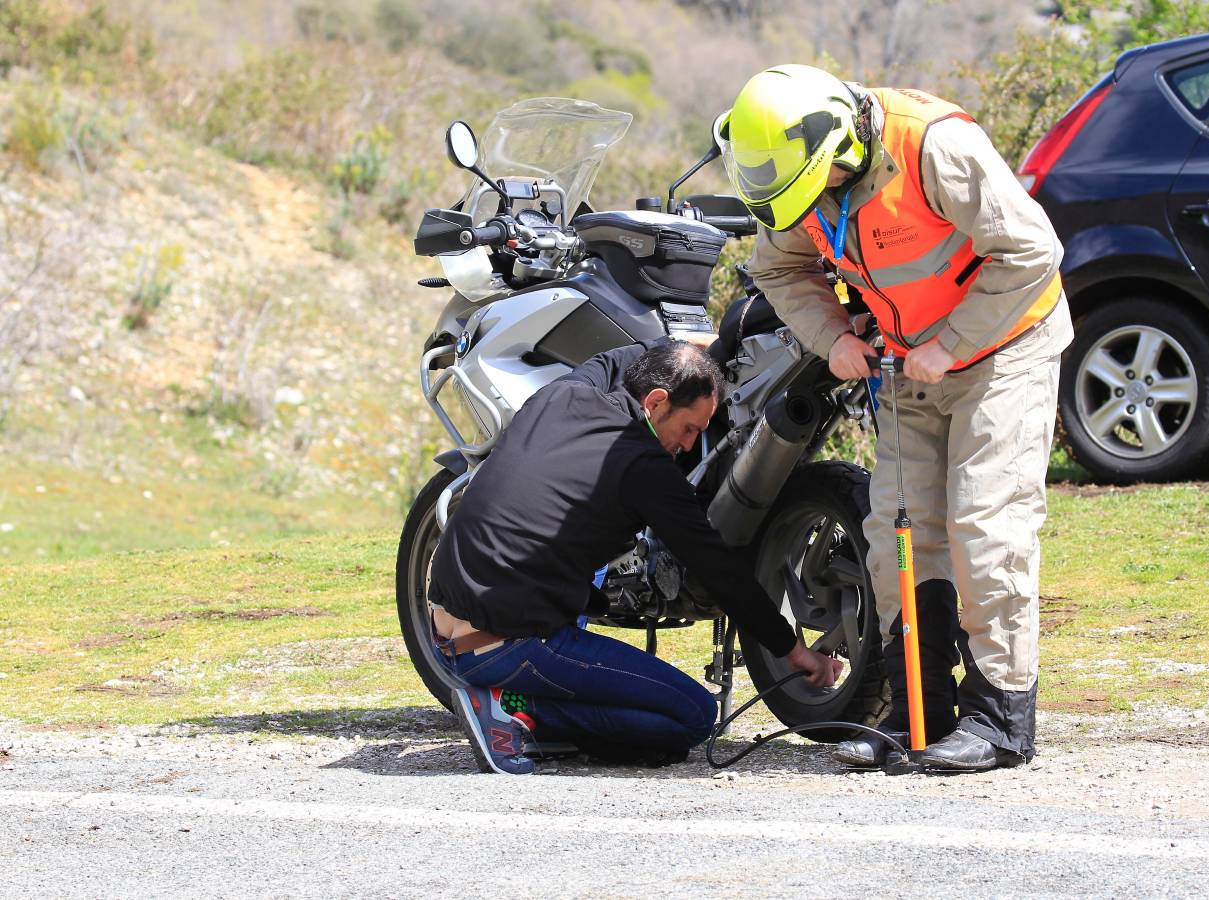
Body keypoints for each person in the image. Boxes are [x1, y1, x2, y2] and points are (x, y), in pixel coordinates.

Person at [716, 64, 1073, 771]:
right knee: (896, 536)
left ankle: (1000, 719)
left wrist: (951, 342)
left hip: (1004, 350)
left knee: (985, 526)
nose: (805, 207)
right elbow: (781, 271)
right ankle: (917, 711)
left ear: (839, 148)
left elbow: (1032, 251)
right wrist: (836, 339)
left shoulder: (934, 146)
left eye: (809, 190)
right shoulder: (803, 188)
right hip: (908, 364)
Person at [426, 340, 841, 774]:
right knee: (692, 716)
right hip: (508, 645)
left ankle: (518, 708)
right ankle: (515, 710)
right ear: (656, 401)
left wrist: (695, 352)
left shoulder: (564, 394)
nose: (688, 443)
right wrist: (793, 650)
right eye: (689, 428)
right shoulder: (644, 469)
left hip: (443, 628)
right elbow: (719, 569)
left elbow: (611, 358)